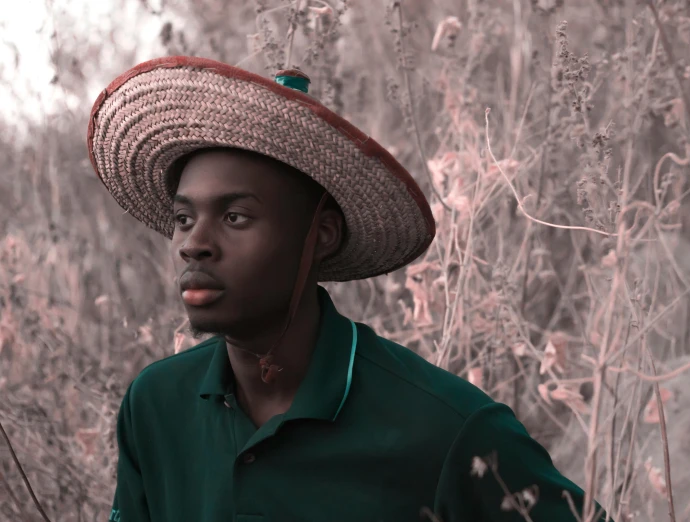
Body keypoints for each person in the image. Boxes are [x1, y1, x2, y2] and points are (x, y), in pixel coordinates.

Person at [89, 56, 608, 522]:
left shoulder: (446, 429)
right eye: (183, 217)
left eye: (234, 216)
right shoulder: (156, 406)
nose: (193, 244)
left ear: (321, 236)